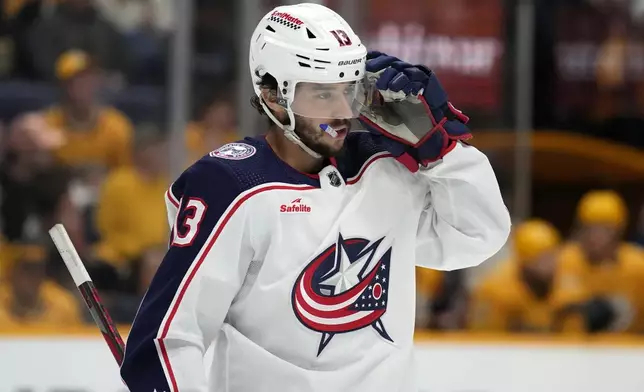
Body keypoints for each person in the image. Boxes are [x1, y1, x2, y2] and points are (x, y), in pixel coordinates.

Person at [119, 3, 511, 392]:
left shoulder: (386, 167)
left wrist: (442, 151)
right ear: (273, 96)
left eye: (349, 90)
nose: (343, 112)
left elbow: (477, 237)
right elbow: (169, 338)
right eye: (323, 95)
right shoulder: (232, 185)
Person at [469, 219, 587, 333]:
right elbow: (484, 340)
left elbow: (574, 339)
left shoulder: (569, 290)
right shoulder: (494, 290)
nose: (550, 265)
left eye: (551, 256)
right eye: (541, 259)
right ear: (523, 263)